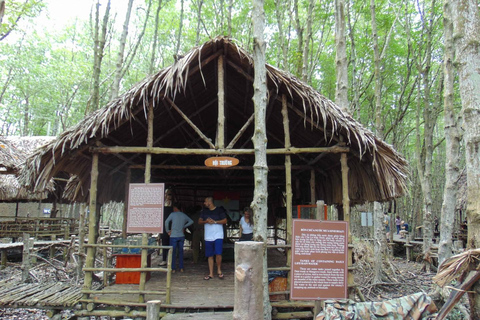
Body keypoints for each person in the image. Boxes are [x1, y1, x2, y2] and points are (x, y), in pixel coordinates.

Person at [199, 196, 227, 280]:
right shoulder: (204, 211)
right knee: (210, 255)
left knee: (218, 253)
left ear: (209, 202)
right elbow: (199, 221)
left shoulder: (219, 210)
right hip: (208, 236)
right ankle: (211, 273)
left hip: (218, 235)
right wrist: (206, 221)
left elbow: (225, 221)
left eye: (205, 202)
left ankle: (219, 270)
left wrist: (215, 221)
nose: (204, 203)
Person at [165, 203, 193, 272]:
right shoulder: (183, 215)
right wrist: (184, 226)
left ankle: (173, 268)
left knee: (173, 252)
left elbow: (166, 222)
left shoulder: (172, 214)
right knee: (181, 252)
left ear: (175, 208)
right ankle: (181, 267)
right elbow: (191, 221)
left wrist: (168, 231)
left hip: (173, 236)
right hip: (181, 235)